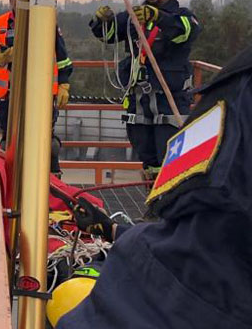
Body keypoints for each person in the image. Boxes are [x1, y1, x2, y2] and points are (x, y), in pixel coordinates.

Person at [52, 44, 252, 328]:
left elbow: (202, 252)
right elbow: (199, 233)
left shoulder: (240, 90)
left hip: (156, 297)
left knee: (64, 295)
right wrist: (112, 229)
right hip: (157, 278)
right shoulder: (240, 89)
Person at [89, 0, 201, 179]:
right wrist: (101, 22)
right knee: (148, 161)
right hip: (139, 102)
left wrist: (157, 17)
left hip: (169, 103)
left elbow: (186, 31)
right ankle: (153, 204)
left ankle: (171, 208)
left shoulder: (182, 17)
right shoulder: (135, 17)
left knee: (171, 159)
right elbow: (109, 35)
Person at [0, 0, 73, 174]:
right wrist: (0, 58)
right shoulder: (0, 24)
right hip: (9, 96)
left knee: (45, 144)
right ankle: (12, 185)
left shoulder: (45, 22)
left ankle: (51, 186)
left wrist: (64, 83)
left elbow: (62, 57)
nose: (16, 1)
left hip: (41, 95)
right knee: (10, 143)